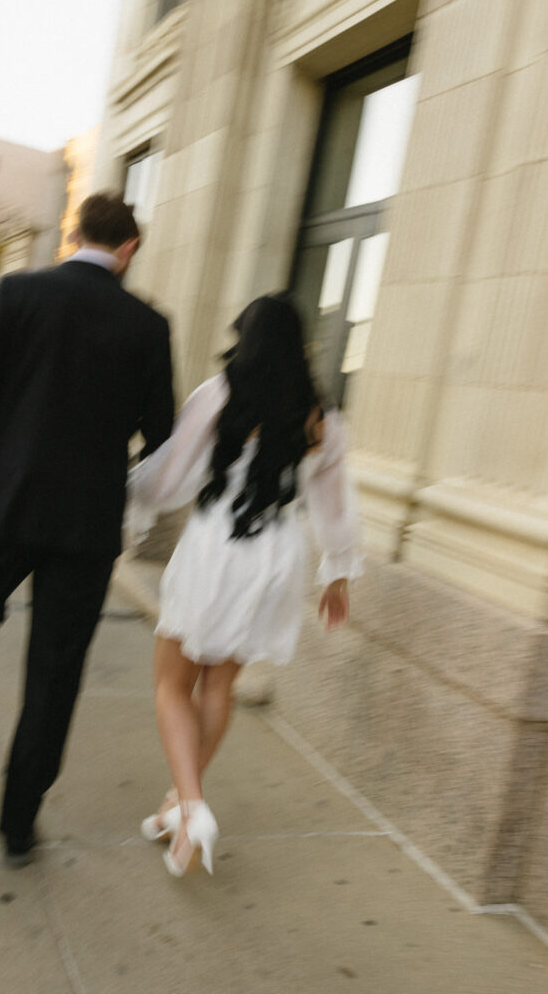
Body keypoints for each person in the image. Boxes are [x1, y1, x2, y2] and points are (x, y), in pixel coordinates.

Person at [0, 192, 174, 866]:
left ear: (74, 235)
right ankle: (18, 826)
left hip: (6, 505)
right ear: (129, 249)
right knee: (55, 672)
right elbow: (161, 440)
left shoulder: (18, 294)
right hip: (87, 524)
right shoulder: (149, 326)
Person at [128, 294, 363, 877]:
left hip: (216, 547)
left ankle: (192, 806)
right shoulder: (322, 419)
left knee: (170, 686)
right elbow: (334, 505)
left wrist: (123, 489)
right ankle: (178, 812)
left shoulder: (220, 394)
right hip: (276, 553)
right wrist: (336, 573)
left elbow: (167, 478)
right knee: (217, 690)